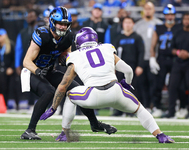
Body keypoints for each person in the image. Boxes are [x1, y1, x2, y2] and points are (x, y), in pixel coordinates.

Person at [40, 27, 175, 143]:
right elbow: (128, 70)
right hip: (116, 92)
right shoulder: (107, 48)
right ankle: (160, 135)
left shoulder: (74, 56)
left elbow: (63, 86)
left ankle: (65, 133)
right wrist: (127, 84)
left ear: (79, 42)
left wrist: (53, 107)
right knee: (139, 109)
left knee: (70, 96)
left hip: (92, 96)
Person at [20, 6, 117, 140]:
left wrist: (64, 59)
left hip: (49, 71)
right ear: (52, 22)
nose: (62, 27)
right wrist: (37, 70)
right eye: (60, 23)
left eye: (65, 24)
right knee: (48, 92)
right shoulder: (42, 34)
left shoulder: (68, 36)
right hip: (31, 71)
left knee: (78, 89)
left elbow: (67, 57)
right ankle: (29, 130)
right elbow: (26, 61)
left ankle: (94, 124)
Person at [149, 4, 184, 118]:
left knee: (176, 85)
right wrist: (152, 58)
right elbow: (153, 45)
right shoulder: (159, 27)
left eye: (171, 15)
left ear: (174, 15)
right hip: (162, 59)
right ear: (164, 16)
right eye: (168, 15)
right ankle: (157, 107)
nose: (169, 17)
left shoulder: (179, 27)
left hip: (175, 60)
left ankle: (178, 107)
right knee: (158, 84)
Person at [134, 2, 163, 111]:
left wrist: (155, 58)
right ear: (143, 10)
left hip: (154, 59)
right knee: (142, 84)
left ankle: (155, 106)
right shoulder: (137, 25)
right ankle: (145, 106)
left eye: (150, 8)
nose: (148, 10)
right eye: (146, 8)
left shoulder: (159, 24)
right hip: (141, 59)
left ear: (154, 10)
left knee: (155, 84)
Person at [112, 16, 144, 116]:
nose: (127, 25)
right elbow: (113, 54)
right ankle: (118, 110)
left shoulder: (137, 37)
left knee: (133, 88)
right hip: (120, 67)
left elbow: (141, 52)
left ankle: (132, 110)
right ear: (123, 24)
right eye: (126, 22)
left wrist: (140, 66)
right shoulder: (119, 38)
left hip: (133, 66)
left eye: (130, 22)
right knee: (118, 89)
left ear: (133, 24)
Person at [162, 12, 189, 118]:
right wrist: (178, 52)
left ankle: (185, 109)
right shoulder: (177, 32)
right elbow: (170, 49)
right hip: (178, 62)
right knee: (172, 86)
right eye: (185, 19)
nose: (187, 21)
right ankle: (171, 111)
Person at [0, 28, 15, 107]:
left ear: (5, 36)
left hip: (8, 70)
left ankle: (6, 104)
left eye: (0, 36)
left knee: (6, 88)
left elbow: (15, 58)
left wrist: (11, 68)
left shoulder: (11, 45)